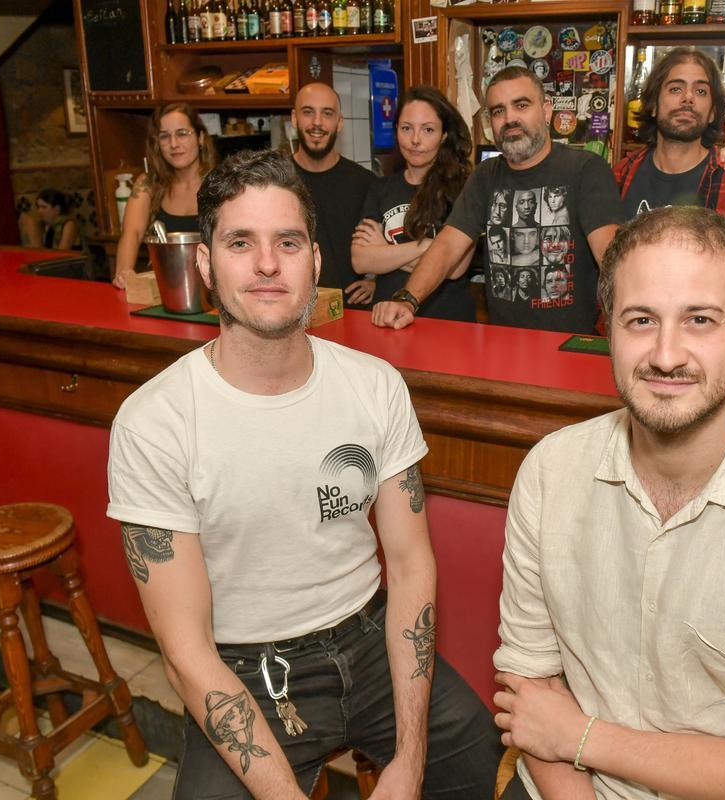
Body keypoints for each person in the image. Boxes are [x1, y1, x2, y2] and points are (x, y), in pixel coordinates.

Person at [107, 149, 501, 799]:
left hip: (372, 637)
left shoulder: (374, 387)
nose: (267, 264)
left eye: (287, 242)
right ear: (205, 262)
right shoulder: (155, 422)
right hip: (241, 667)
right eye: (241, 242)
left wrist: (408, 758)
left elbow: (409, 566)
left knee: (479, 763)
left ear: (315, 263)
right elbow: (185, 651)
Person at [492, 205, 725, 800]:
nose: (667, 355)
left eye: (700, 319)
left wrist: (583, 737)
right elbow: (528, 679)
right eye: (641, 319)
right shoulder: (550, 471)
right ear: (607, 326)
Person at [372, 67, 624, 334]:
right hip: (504, 342)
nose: (509, 119)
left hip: (568, 345)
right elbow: (448, 245)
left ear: (546, 110)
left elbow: (610, 256)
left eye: (521, 105)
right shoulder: (486, 175)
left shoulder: (585, 169)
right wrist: (408, 299)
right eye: (498, 111)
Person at [613, 48, 725, 241]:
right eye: (675, 89)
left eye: (701, 91)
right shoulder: (619, 176)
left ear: (713, 112)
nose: (688, 98)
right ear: (653, 106)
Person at [351, 85, 476, 322]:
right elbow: (360, 260)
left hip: (447, 322)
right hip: (386, 319)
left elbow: (455, 268)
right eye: (407, 128)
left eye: (428, 130)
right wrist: (428, 246)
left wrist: (385, 253)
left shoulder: (463, 188)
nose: (415, 140)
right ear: (396, 130)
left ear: (444, 135)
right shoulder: (380, 188)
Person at [290, 82, 377, 310]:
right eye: (308, 112)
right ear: (294, 119)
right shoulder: (274, 181)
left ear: (339, 123)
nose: (317, 122)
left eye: (327, 114)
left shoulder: (366, 183)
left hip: (352, 315)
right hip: (290, 315)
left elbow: (385, 247)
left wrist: (376, 282)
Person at [112, 103, 217, 289]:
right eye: (165, 136)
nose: (174, 144)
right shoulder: (148, 184)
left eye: (182, 133)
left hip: (214, 289)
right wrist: (123, 272)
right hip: (168, 288)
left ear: (200, 138)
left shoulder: (221, 183)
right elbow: (132, 233)